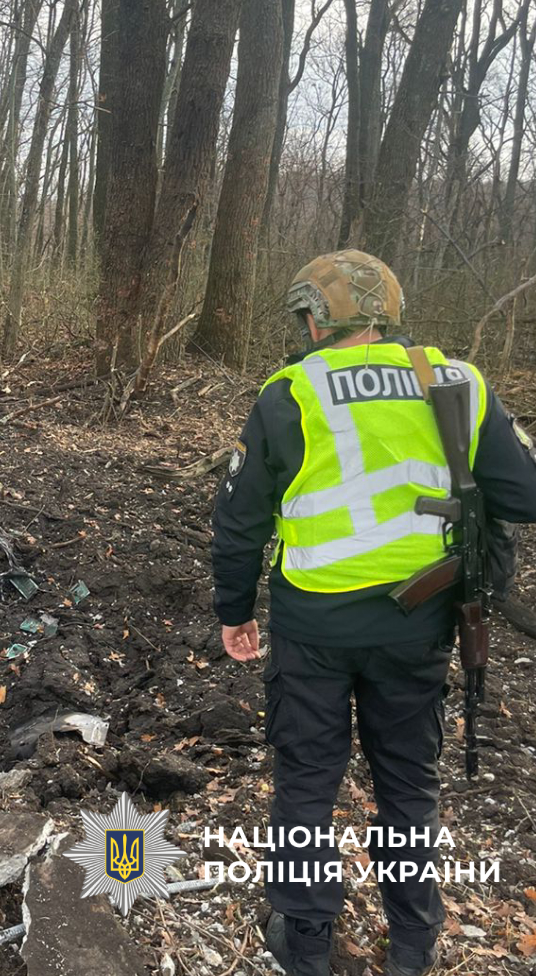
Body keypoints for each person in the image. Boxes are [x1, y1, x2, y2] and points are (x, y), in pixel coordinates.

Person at [210, 250, 536, 976]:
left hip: (313, 628)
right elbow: (525, 496)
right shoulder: (457, 382)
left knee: (306, 782)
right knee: (409, 784)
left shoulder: (291, 392)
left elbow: (239, 521)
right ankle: (413, 944)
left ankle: (306, 944)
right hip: (418, 625)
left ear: (316, 319)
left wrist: (235, 609)